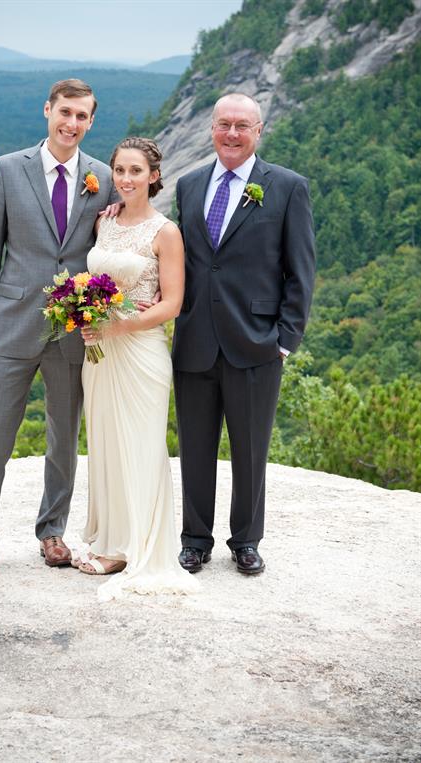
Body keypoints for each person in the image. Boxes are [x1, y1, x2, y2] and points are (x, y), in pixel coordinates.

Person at [0, 79, 120, 581]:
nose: (71, 123)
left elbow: (106, 248)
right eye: (64, 112)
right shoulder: (8, 169)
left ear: (91, 122)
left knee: (63, 437)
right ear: (47, 110)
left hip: (72, 328)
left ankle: (52, 531)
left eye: (82, 116)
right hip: (10, 324)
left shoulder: (102, 178)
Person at [173, 93, 316, 575]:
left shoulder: (288, 187)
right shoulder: (189, 185)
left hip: (256, 342)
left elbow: (301, 271)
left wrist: (285, 338)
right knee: (195, 446)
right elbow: (185, 259)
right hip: (194, 339)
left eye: (242, 126)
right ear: (211, 129)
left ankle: (246, 540)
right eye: (223, 124)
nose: (231, 134)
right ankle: (195, 538)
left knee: (250, 449)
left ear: (259, 131)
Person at [75, 137, 199, 602]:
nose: (126, 179)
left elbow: (172, 304)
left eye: (135, 171)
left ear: (152, 176)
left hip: (140, 351)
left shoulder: (165, 232)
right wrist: (86, 317)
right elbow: (94, 283)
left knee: (142, 446)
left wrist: (120, 326)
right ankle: (111, 541)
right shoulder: (104, 221)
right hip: (99, 354)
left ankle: (139, 548)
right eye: (119, 170)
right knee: (105, 442)